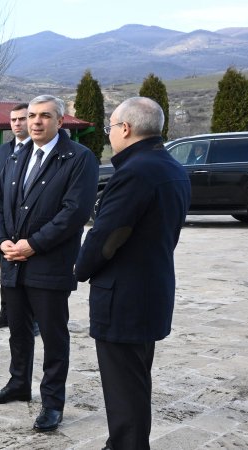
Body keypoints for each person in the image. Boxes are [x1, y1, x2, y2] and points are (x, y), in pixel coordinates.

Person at [75, 97, 190, 450]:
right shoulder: (170, 166)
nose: (110, 135)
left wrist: (80, 267)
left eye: (111, 128)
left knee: (124, 390)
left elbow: (108, 236)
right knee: (135, 382)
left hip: (123, 297)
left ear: (125, 128)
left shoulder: (135, 173)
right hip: (150, 289)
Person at [0, 95, 98, 432]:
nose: (35, 122)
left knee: (52, 336)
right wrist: (1, 240)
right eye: (31, 115)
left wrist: (33, 245)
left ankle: (52, 402)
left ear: (60, 121)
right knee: (18, 331)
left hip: (49, 265)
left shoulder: (79, 159)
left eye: (44, 116)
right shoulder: (15, 157)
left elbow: (74, 213)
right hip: (12, 262)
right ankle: (19, 384)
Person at [0, 103, 30, 329]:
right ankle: (6, 312)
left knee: (30, 275)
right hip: (7, 220)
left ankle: (33, 319)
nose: (17, 124)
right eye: (13, 120)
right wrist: (1, 200)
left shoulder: (37, 151)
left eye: (22, 119)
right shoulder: (4, 150)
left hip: (30, 224)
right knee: (6, 270)